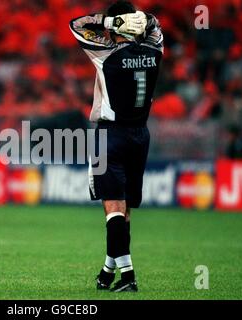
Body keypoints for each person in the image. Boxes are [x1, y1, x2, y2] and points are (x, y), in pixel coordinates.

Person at [70, 1, 163, 292]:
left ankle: (128, 276)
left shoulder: (106, 52)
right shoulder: (155, 50)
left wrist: (108, 23)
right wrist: (143, 19)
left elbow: (76, 25)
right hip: (140, 135)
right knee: (124, 212)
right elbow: (156, 26)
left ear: (116, 25)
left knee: (112, 208)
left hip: (108, 136)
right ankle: (108, 272)